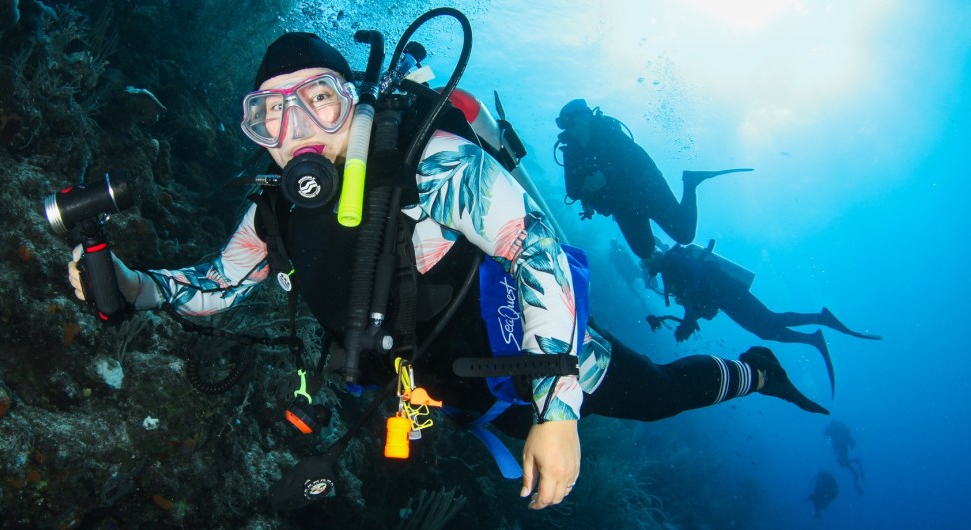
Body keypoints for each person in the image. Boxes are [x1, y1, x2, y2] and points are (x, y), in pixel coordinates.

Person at [64, 32, 828, 511]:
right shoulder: (276, 210)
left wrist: (558, 409)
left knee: (657, 397)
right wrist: (134, 285)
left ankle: (753, 369)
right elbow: (218, 285)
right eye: (268, 115)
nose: (295, 130)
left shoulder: (431, 165)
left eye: (319, 101)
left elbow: (536, 249)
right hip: (442, 394)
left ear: (353, 100)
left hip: (538, 359)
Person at [646, 242, 881, 394]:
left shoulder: (672, 262)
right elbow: (693, 296)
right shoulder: (670, 269)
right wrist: (690, 316)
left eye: (646, 261)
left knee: (771, 321)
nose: (646, 266)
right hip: (727, 300)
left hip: (730, 293)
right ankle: (813, 338)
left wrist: (689, 317)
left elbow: (697, 281)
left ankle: (821, 318)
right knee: (766, 330)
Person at [554, 98, 752, 260]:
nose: (567, 128)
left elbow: (641, 163)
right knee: (643, 251)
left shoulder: (610, 134)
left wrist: (607, 176)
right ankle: (665, 264)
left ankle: (690, 183)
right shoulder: (571, 152)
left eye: (568, 121)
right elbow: (571, 190)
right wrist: (587, 193)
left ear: (585, 117)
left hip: (648, 191)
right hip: (623, 205)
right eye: (562, 123)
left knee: (684, 235)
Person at [824, 420, 866, 495]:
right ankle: (855, 475)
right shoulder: (839, 429)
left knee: (842, 463)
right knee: (843, 463)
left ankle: (856, 462)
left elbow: (825, 433)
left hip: (841, 447)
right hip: (843, 446)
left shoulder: (833, 428)